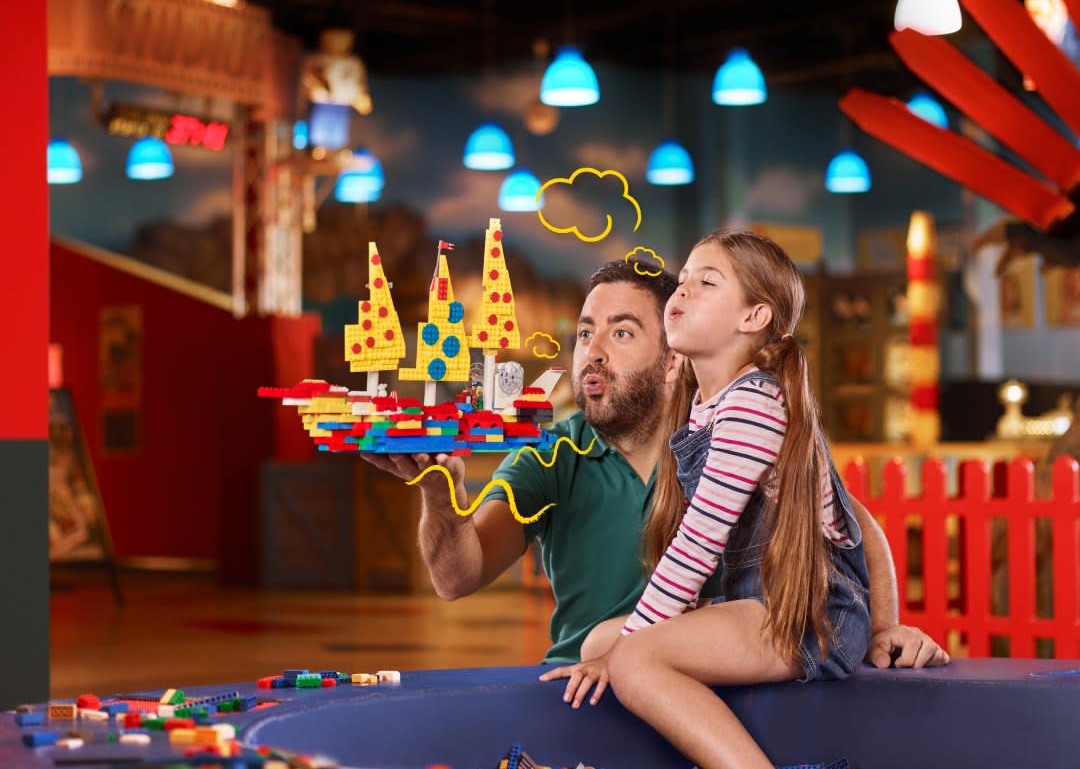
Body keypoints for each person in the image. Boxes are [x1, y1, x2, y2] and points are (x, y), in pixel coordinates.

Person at [361, 257, 947, 675]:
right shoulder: (548, 457)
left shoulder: (724, 438)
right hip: (581, 691)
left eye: (622, 332)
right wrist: (440, 491)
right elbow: (455, 578)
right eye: (586, 332)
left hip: (708, 691)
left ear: (673, 358)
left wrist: (885, 626)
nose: (592, 350)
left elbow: (850, 522)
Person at [539, 230, 948, 769]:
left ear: (754, 316)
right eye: (682, 280)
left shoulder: (753, 406)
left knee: (631, 661)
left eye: (706, 283)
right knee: (596, 642)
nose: (681, 292)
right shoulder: (708, 406)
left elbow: (698, 547)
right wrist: (621, 644)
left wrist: (883, 625)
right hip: (761, 603)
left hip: (806, 614)